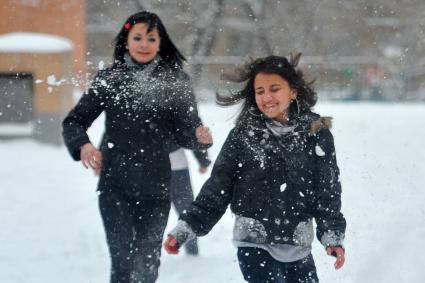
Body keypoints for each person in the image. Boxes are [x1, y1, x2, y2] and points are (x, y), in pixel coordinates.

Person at [164, 54, 346, 283]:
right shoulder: (243, 136)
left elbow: (327, 191)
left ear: (293, 91)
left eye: (274, 89)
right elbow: (218, 188)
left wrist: (332, 236)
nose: (267, 97)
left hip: (298, 245)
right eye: (260, 92)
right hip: (253, 242)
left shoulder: (316, 134)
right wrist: (187, 227)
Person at [62, 11, 212, 283]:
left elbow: (186, 129)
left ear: (160, 42)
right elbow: (74, 121)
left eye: (151, 38)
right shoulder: (110, 79)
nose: (144, 44)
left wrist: (199, 139)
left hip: (156, 190)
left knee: (147, 266)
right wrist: (83, 145)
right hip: (115, 187)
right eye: (138, 37)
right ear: (127, 41)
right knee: (122, 263)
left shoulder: (174, 80)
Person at [169, 148, 211, 255]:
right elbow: (192, 134)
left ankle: (192, 255)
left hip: (174, 169)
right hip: (173, 168)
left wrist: (203, 160)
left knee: (187, 214)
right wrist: (203, 160)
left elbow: (192, 133)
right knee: (186, 213)